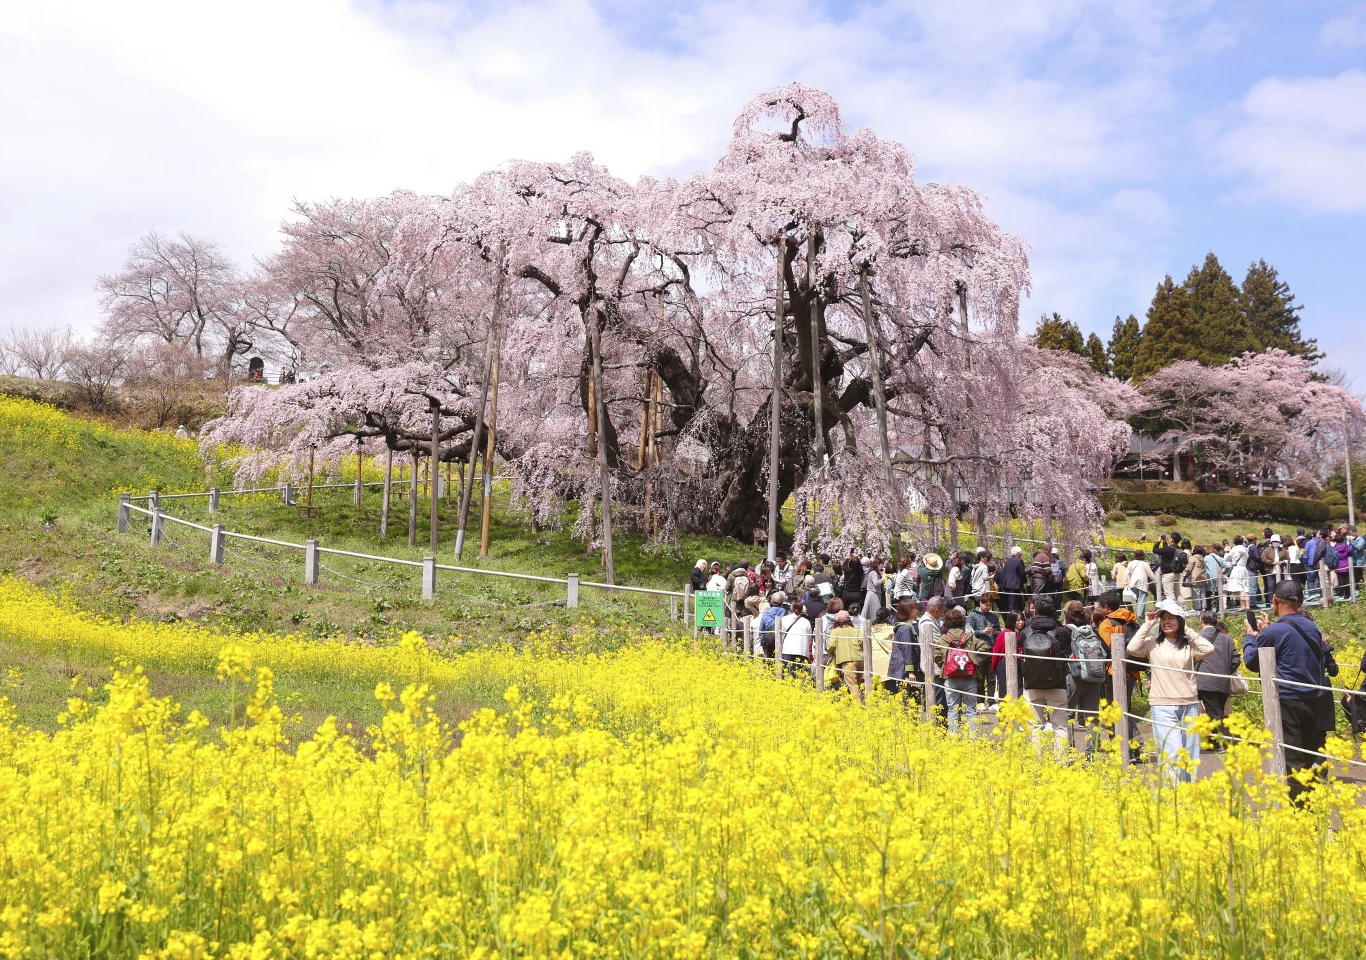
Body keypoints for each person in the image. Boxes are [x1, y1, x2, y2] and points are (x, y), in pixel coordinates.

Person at [1245, 579, 1339, 803]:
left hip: (1288, 702)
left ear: (1275, 599)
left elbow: (1251, 662)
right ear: (1301, 601)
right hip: (1313, 700)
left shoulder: (1274, 632)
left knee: (1292, 760)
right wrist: (1268, 631)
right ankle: (1311, 808)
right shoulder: (1311, 626)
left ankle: (1299, 813)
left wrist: (1251, 636)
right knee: (1309, 759)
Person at [1127, 599, 1214, 785]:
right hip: (1163, 706)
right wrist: (1147, 624)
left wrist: (1188, 630)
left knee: (1190, 753)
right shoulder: (1152, 644)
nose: (1166, 621)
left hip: (1189, 705)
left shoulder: (1190, 646)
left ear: (1180, 620)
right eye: (1163, 618)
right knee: (1171, 753)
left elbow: (1209, 648)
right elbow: (1131, 648)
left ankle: (1188, 792)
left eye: (1171, 618)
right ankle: (1173, 797)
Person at [1019, 596, 1072, 754]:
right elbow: (1066, 655)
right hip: (1057, 684)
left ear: (1035, 609)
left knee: (1035, 726)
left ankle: (1037, 763)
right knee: (1060, 726)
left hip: (1032, 684)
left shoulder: (1025, 633)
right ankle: (1061, 761)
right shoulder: (1062, 632)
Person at [1095, 590, 1140, 762]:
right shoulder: (1132, 619)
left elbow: (1108, 648)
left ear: (1106, 608)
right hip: (1133, 670)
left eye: (1100, 607)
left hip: (1114, 671)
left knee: (1115, 711)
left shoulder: (1106, 624)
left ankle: (1123, 748)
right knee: (1125, 709)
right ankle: (1136, 747)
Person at [934, 608, 990, 734]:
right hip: (969, 677)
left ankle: (954, 738)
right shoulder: (969, 637)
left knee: (952, 709)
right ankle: (973, 739)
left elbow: (936, 655)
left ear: (947, 622)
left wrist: (946, 664)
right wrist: (973, 660)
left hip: (951, 678)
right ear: (962, 621)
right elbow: (985, 649)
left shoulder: (944, 638)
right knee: (971, 709)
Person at [1194, 609, 1238, 750]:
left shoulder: (1196, 637)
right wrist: (1226, 671)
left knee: (1213, 712)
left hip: (1203, 681)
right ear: (1216, 622)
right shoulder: (1227, 639)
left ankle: (1219, 743)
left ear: (1201, 621)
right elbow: (1236, 660)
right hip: (1223, 680)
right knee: (1217, 711)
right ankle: (1214, 741)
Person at [967, 593, 1002, 704]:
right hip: (979, 651)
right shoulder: (972, 615)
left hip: (992, 649)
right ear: (980, 603)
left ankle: (991, 701)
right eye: (986, 605)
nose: (988, 607)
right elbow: (969, 632)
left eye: (990, 605)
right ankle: (980, 701)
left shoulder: (993, 616)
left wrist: (995, 632)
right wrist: (982, 632)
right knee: (979, 677)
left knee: (992, 677)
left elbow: (1000, 632)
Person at [887, 598, 922, 705]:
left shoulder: (902, 626)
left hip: (900, 667)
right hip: (903, 669)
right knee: (907, 698)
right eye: (914, 608)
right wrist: (911, 671)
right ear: (908, 611)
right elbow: (907, 649)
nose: (916, 611)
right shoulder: (906, 628)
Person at [826, 610, 865, 701]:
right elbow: (862, 642)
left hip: (847, 662)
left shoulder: (836, 631)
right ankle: (852, 705)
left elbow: (830, 646)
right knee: (857, 685)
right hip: (859, 660)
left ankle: (858, 709)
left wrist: (832, 653)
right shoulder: (856, 630)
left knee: (852, 686)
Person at [918, 596, 947, 714]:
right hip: (933, 666)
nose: (943, 613)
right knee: (937, 700)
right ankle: (937, 724)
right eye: (943, 610)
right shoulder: (927, 623)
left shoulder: (930, 620)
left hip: (932, 665)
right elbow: (939, 643)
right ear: (937, 611)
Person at [991, 611, 1023, 706]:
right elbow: (996, 653)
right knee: (1005, 693)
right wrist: (996, 669)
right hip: (1004, 665)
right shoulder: (1004, 634)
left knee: (1019, 691)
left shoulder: (1021, 634)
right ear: (1012, 621)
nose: (1021, 622)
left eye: (1022, 619)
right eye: (1018, 620)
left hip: (1018, 663)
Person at [778, 599, 813, 680]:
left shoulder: (784, 619)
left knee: (786, 675)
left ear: (792, 609)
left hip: (787, 650)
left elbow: (781, 635)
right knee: (800, 676)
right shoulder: (806, 622)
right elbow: (809, 637)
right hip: (802, 651)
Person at [870, 605, 895, 687]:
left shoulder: (871, 629)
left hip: (875, 660)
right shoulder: (891, 629)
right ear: (888, 618)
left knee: (877, 690)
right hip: (888, 660)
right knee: (891, 688)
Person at [757, 591, 788, 659]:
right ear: (782, 602)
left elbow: (762, 632)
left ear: (771, 601)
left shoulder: (766, 614)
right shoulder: (787, 613)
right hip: (784, 644)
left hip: (770, 643)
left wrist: (764, 646)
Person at [1126, 549, 1155, 617]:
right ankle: (1140, 616)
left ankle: (1141, 614)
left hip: (1133, 583)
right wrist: (1157, 582)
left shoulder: (1131, 563)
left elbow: (1127, 574)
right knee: (1141, 600)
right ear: (1143, 556)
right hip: (1142, 583)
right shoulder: (1145, 564)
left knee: (1138, 600)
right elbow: (1151, 575)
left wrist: (1126, 582)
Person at [1224, 537, 1250, 611]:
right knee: (1245, 587)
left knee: (1239, 587)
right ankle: (1247, 605)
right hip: (1244, 569)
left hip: (1237, 569)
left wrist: (1226, 551)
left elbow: (1227, 559)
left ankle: (1242, 606)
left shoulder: (1235, 549)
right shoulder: (1245, 549)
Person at [1000, 545, 1026, 612]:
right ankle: (1013, 618)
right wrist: (1024, 582)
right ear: (1018, 553)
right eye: (1021, 553)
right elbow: (1022, 573)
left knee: (1011, 604)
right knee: (1015, 605)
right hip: (1015, 585)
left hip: (1007, 585)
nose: (1021, 554)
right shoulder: (1019, 561)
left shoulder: (1008, 561)